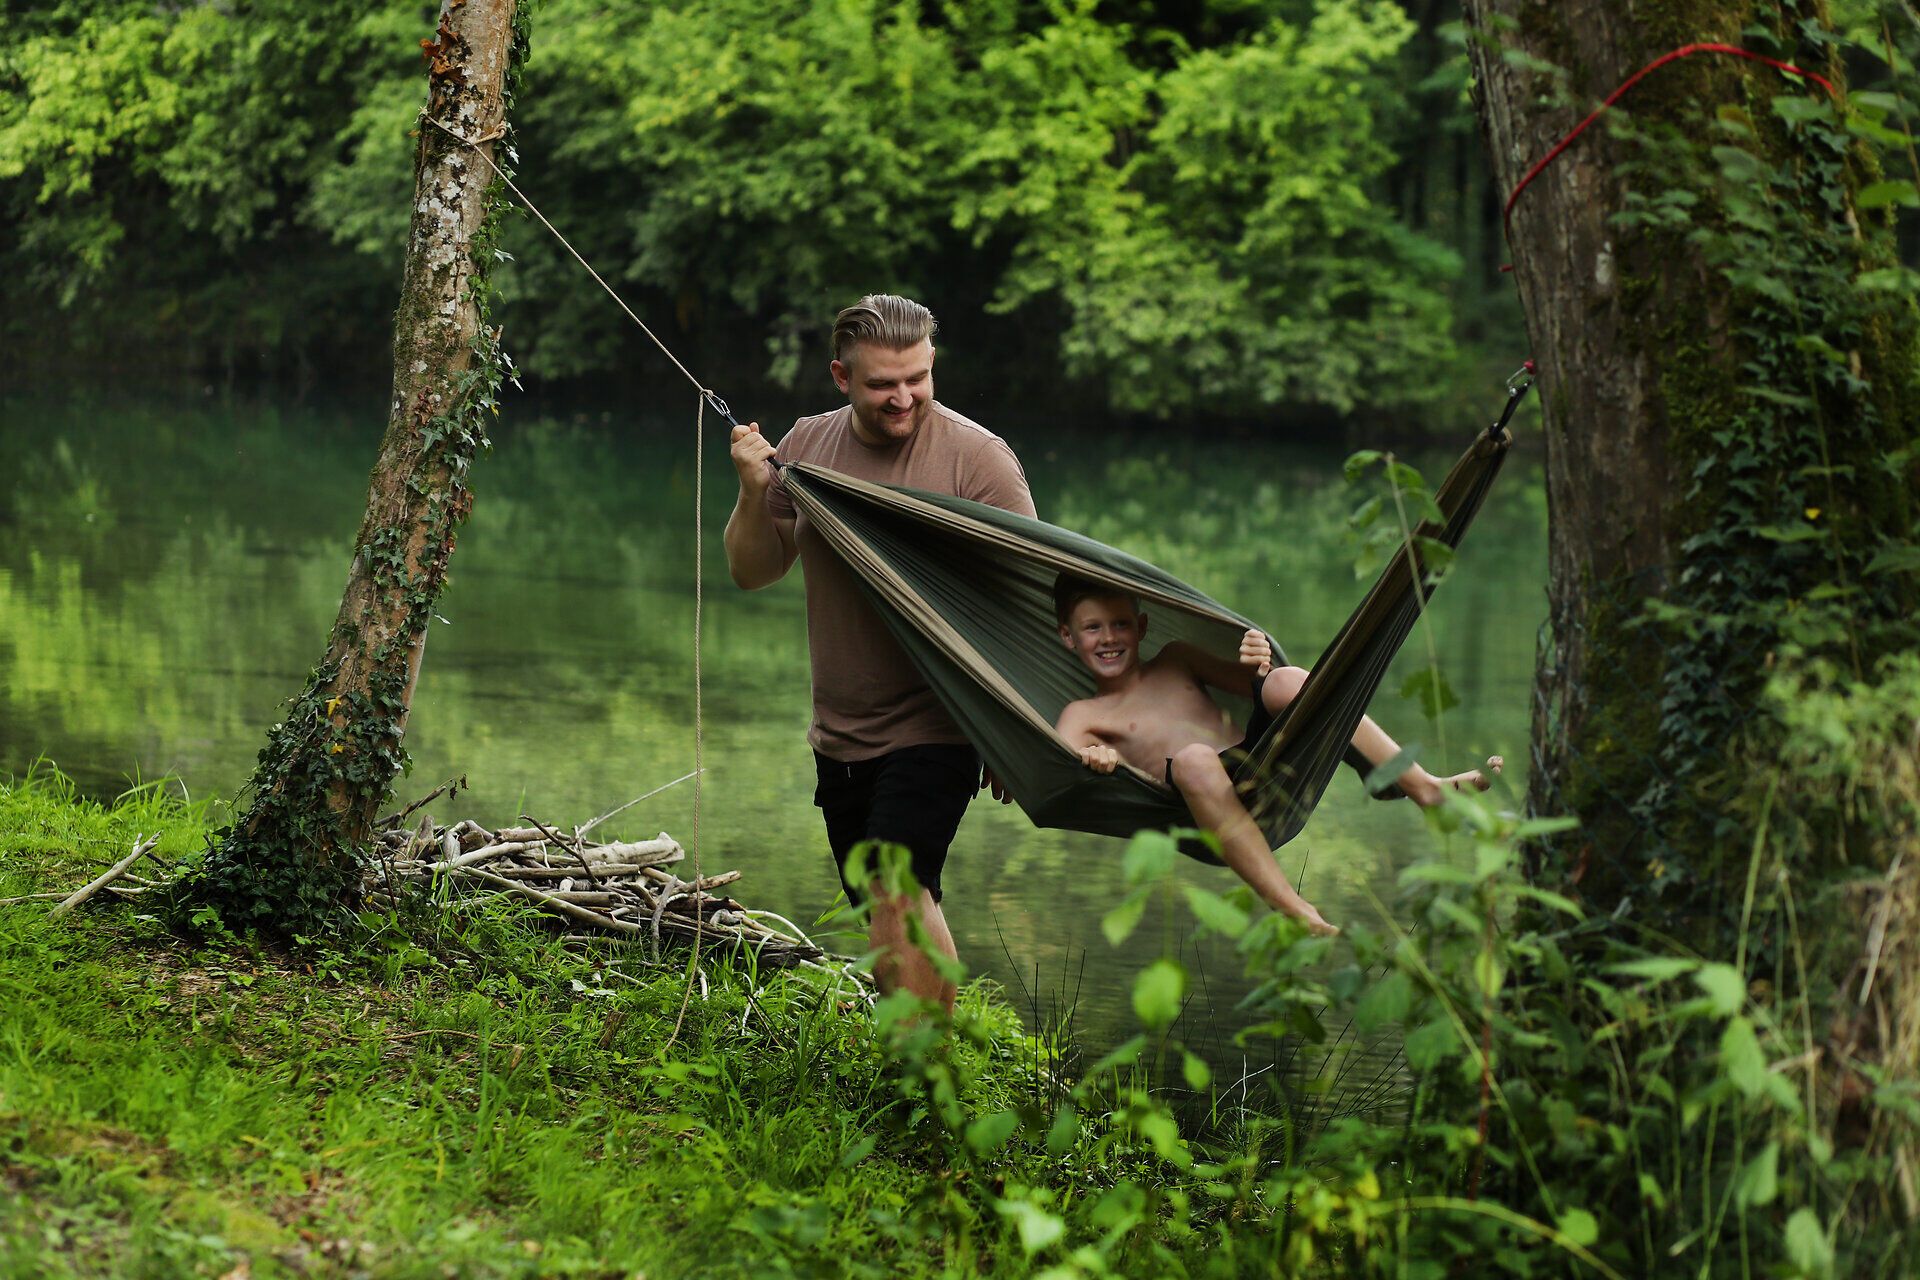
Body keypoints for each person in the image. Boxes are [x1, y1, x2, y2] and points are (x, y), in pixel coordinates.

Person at [724, 294, 1034, 1015]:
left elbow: (1031, 595)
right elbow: (754, 570)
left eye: (917, 378)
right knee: (893, 905)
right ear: (841, 376)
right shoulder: (807, 445)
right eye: (882, 384)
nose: (904, 398)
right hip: (841, 729)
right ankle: (931, 1059)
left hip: (941, 720)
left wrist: (1012, 728)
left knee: (896, 885)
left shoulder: (978, 459)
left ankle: (919, 1064)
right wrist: (751, 490)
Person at [1050, 575, 1501, 936]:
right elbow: (1050, 768)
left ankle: (1422, 786)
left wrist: (1255, 660)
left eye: (1120, 624)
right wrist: (1096, 757)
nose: (1108, 638)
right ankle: (1293, 906)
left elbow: (1253, 683)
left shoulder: (1175, 658)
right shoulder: (1083, 715)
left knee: (1289, 680)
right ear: (1068, 637)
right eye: (1092, 628)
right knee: (1193, 757)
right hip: (1199, 800)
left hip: (1262, 764)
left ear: (1143, 626)